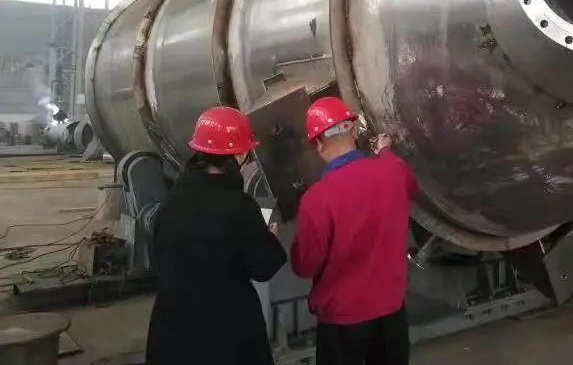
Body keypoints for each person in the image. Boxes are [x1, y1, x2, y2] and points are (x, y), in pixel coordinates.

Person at [146, 106, 287, 365]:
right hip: (225, 335)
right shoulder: (240, 207)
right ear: (240, 154)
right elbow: (264, 266)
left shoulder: (170, 205)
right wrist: (270, 238)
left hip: (172, 335)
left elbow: (158, 259)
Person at [292, 97, 419, 365]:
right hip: (391, 312)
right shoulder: (392, 171)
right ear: (353, 132)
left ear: (318, 143)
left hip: (343, 321)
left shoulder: (317, 199)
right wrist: (385, 151)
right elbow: (410, 187)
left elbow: (305, 265)